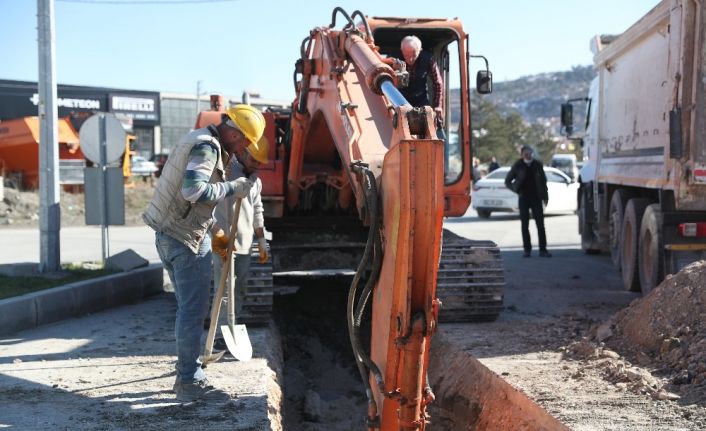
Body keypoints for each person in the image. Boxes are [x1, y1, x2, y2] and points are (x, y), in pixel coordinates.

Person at [142, 104, 266, 401]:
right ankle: (188, 381)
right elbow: (193, 191)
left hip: (169, 232)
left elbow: (189, 201)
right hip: (183, 239)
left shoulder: (197, 137)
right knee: (192, 312)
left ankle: (187, 372)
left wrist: (214, 230)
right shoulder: (208, 148)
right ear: (234, 133)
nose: (246, 148)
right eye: (246, 141)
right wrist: (231, 187)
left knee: (188, 309)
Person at [211, 134, 269, 331]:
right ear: (242, 152)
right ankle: (220, 334)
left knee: (240, 290)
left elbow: (257, 210)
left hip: (244, 244)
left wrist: (261, 240)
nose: (256, 166)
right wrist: (216, 232)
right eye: (254, 160)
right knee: (224, 291)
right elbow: (206, 204)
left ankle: (232, 327)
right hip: (223, 241)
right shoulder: (227, 171)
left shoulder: (255, 180)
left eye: (260, 163)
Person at [504, 145, 552, 258]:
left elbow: (543, 182)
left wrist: (545, 197)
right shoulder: (518, 165)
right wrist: (516, 189)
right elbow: (507, 181)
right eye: (525, 153)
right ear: (522, 154)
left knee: (540, 225)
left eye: (529, 152)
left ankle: (543, 250)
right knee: (524, 225)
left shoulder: (537, 164)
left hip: (536, 198)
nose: (527, 154)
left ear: (532, 153)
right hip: (524, 198)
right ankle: (527, 250)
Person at [398, 35, 444, 127]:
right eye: (406, 55)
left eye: (414, 55)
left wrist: (438, 106)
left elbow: (437, 83)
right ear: (401, 51)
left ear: (420, 50)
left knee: (429, 125)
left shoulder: (428, 59)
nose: (410, 59)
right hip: (398, 100)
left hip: (420, 100)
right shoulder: (393, 60)